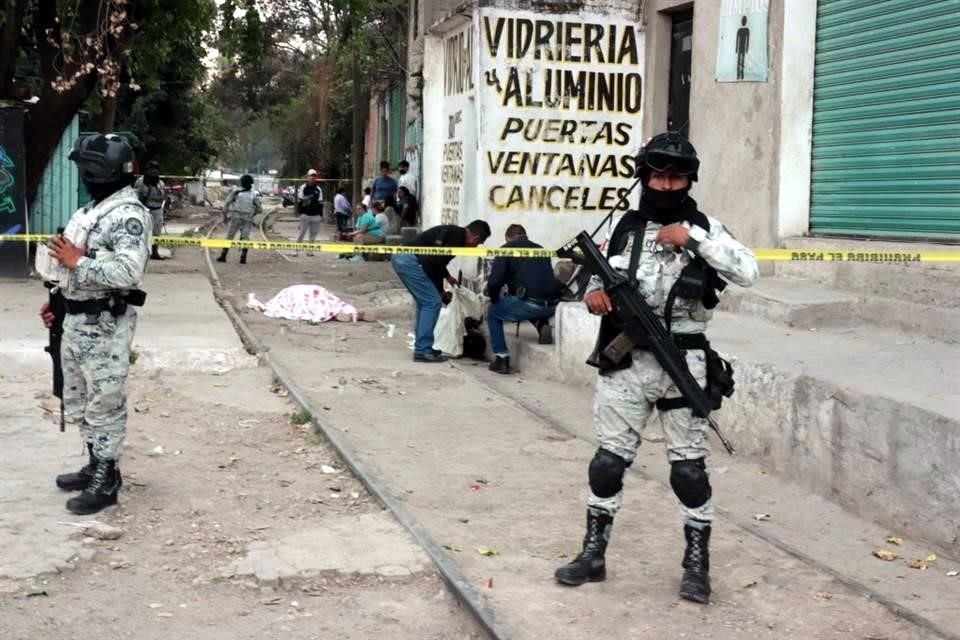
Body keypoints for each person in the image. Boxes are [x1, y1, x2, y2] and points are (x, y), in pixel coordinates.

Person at [553, 132, 758, 604]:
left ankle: (696, 566)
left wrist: (696, 240)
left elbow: (748, 271)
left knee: (688, 471)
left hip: (683, 361)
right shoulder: (622, 228)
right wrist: (593, 297)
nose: (666, 186)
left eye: (676, 177)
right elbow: (577, 281)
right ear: (644, 177)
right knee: (607, 464)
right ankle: (593, 554)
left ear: (689, 180)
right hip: (624, 363)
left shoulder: (707, 226)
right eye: (658, 175)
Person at [38, 133, 150, 515]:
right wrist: (57, 301)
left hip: (105, 324)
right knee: (81, 401)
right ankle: (93, 463)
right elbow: (67, 260)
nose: (81, 175)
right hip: (75, 319)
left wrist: (79, 262)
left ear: (96, 171)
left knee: (105, 402)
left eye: (84, 169)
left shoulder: (129, 214)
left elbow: (128, 271)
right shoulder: (91, 210)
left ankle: (108, 477)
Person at [391, 220, 491, 363]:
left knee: (425, 302)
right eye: (477, 243)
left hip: (403, 258)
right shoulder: (457, 239)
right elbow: (432, 263)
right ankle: (422, 350)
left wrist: (448, 277)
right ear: (475, 238)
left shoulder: (455, 234)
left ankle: (423, 347)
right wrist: (440, 291)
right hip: (409, 261)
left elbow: (437, 260)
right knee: (432, 302)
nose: (475, 246)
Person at [485, 224, 562, 374]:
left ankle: (501, 358)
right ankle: (541, 324)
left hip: (530, 303)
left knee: (493, 313)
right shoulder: (541, 249)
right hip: (553, 304)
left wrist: (494, 299)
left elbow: (494, 282)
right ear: (525, 235)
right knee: (527, 302)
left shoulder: (506, 249)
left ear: (508, 238)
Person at [216, 174, 262, 265]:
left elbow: (226, 204)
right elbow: (259, 209)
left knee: (230, 236)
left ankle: (223, 256)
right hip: (247, 218)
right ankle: (243, 258)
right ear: (251, 184)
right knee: (245, 238)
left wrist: (225, 217)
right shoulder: (253, 194)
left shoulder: (236, 192)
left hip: (236, 216)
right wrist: (252, 215)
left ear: (241, 182)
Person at [134, 160, 166, 260]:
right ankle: (141, 253)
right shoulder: (140, 182)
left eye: (156, 169)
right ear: (147, 170)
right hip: (144, 210)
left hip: (157, 210)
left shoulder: (160, 183)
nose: (154, 171)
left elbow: (164, 197)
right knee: (142, 232)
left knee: (157, 232)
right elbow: (135, 196)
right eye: (151, 169)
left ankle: (155, 252)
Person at [296, 169, 324, 253]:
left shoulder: (318, 189)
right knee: (301, 233)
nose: (312, 178)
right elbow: (300, 201)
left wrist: (320, 216)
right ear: (307, 177)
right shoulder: (303, 187)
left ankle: (310, 251)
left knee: (313, 234)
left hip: (316, 216)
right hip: (305, 215)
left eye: (314, 176)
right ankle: (296, 250)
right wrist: (300, 213)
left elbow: (320, 202)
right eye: (311, 176)